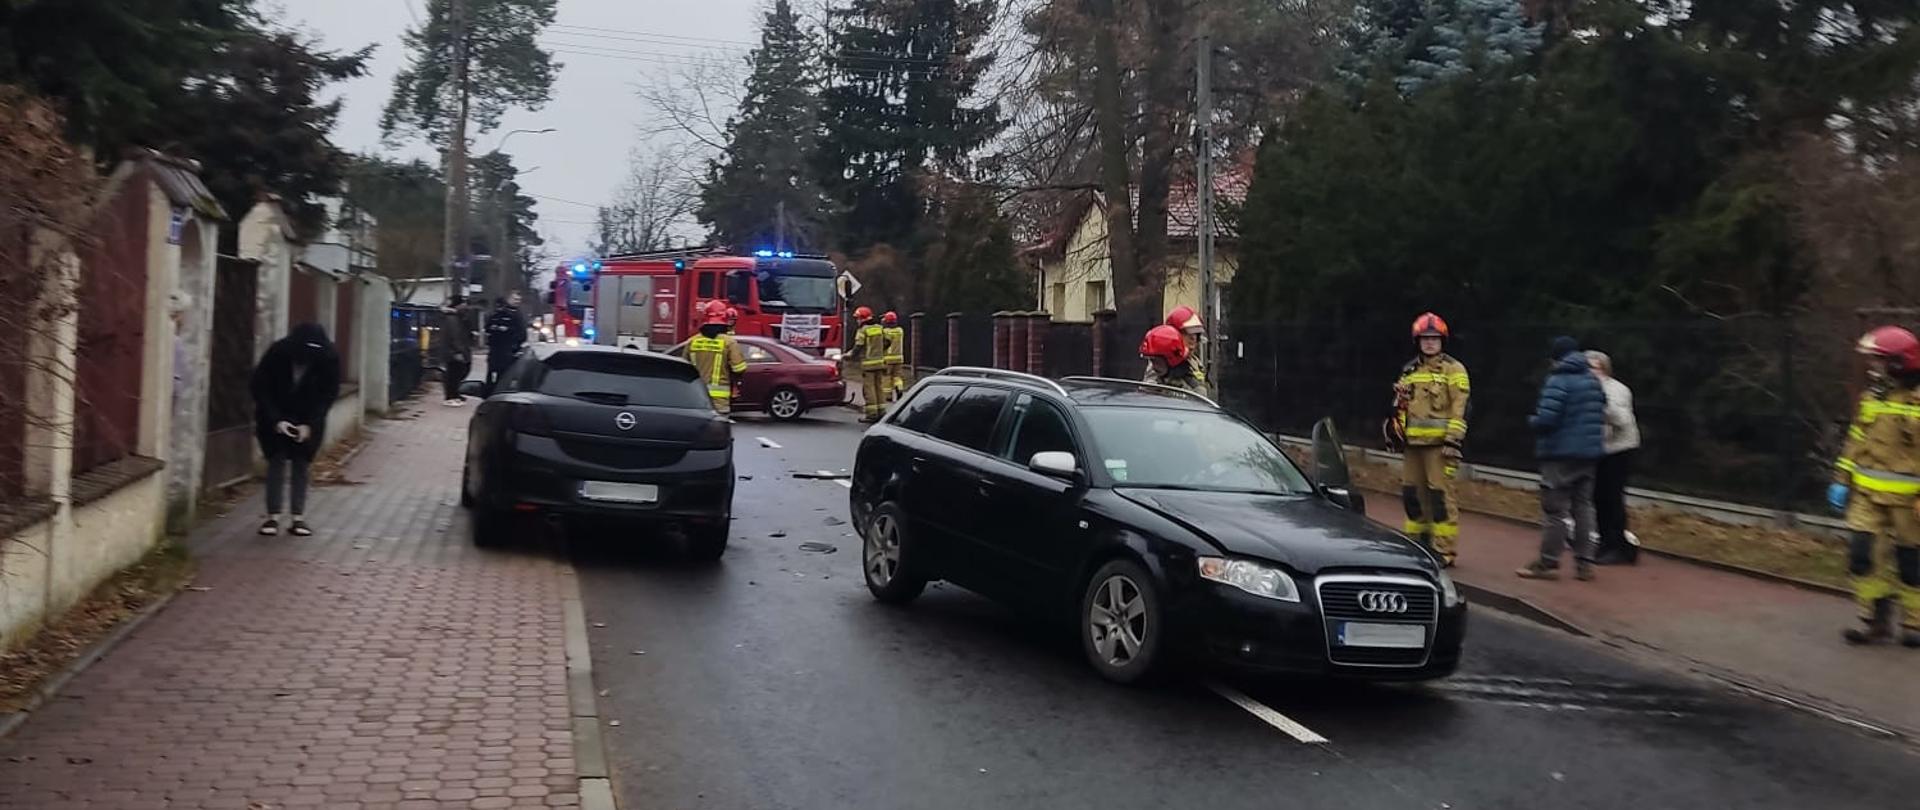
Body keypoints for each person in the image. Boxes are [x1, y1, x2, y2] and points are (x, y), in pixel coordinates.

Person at [1830, 326, 1920, 646]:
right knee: (1862, 555)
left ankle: (1914, 623)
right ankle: (1874, 620)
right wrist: (1841, 478)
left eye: (1878, 362)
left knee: (1911, 563)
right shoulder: (1872, 399)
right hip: (1867, 497)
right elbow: (1856, 441)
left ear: (1898, 364)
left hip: (1909, 503)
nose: (1873, 368)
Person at [1517, 336, 1608, 581]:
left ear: (1555, 357)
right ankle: (1585, 564)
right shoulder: (1593, 380)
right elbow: (1601, 410)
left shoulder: (1558, 380)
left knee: (1554, 510)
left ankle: (1548, 563)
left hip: (1559, 454)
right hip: (1588, 454)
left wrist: (1532, 421)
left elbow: (1547, 419)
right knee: (1584, 507)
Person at [1394, 312, 1472, 567]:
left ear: (1442, 341)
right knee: (1412, 495)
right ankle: (1417, 544)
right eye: (1425, 338)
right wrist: (1395, 431)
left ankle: (1444, 551)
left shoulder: (1454, 369)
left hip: (1440, 448)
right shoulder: (1409, 370)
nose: (1429, 343)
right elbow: (1400, 407)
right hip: (1412, 447)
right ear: (1418, 341)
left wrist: (1453, 441)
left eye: (1434, 338)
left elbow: (1460, 406)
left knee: (1440, 498)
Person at [250, 323, 340, 538]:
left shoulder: (328, 359)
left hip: (307, 419)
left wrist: (310, 424)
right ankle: (273, 516)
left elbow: (327, 395)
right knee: (276, 460)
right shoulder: (277, 353)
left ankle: (298, 518)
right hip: (275, 416)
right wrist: (276, 420)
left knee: (301, 463)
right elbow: (260, 387)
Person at [1587, 350, 1641, 565]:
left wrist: (1602, 400)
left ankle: (1617, 545)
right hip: (1598, 449)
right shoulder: (1587, 389)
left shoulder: (1617, 390)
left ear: (1604, 369)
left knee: (1612, 498)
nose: (1590, 372)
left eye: (1594, 367)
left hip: (1618, 449)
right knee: (1598, 498)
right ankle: (1604, 542)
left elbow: (1622, 420)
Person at [687, 300, 748, 414]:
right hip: (719, 400)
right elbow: (739, 368)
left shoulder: (692, 341)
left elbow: (683, 365)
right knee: (718, 429)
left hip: (695, 396)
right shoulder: (729, 342)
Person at [846, 307, 888, 422]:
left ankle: (872, 414)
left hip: (868, 365)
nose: (857, 321)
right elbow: (887, 341)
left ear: (862, 319)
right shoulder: (880, 328)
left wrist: (849, 356)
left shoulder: (863, 330)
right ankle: (882, 412)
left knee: (869, 389)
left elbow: (858, 346)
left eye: (857, 318)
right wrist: (879, 351)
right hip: (880, 363)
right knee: (879, 387)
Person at [1158, 306, 1211, 397]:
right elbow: (1149, 393)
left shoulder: (1195, 362)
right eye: (1188, 333)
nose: (1193, 339)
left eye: (1196, 334)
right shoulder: (1161, 362)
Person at [1140, 325, 1206, 395]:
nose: (1153, 366)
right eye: (1151, 361)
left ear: (1171, 360)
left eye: (1157, 361)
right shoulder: (1154, 380)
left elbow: (1200, 398)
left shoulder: (1191, 385)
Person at [484, 290, 528, 390]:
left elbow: (521, 333)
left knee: (507, 375)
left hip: (511, 350)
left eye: (519, 300)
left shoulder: (518, 314)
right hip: (499, 351)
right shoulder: (500, 314)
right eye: (515, 299)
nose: (517, 301)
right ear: (508, 299)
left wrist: (517, 346)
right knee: (495, 375)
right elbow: (491, 330)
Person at [440, 295, 475, 406]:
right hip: (454, 351)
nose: (465, 305)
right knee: (454, 373)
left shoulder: (459, 317)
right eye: (463, 303)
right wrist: (458, 351)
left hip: (458, 349)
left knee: (459, 372)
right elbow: (455, 336)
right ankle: (451, 396)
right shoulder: (452, 319)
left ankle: (455, 394)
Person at [882, 311, 906, 402]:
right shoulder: (900, 331)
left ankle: (888, 396)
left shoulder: (885, 332)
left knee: (887, 377)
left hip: (887, 358)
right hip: (899, 358)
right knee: (897, 377)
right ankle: (899, 389)